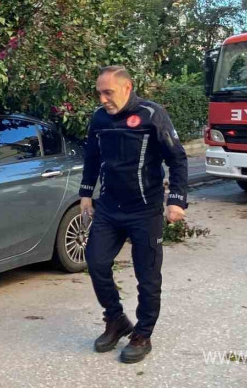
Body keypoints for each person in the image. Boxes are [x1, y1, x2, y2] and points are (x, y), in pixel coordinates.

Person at [79, 65, 188, 364]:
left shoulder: (152, 114)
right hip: (110, 208)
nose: (102, 99)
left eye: (108, 92)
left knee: (147, 277)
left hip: (145, 211)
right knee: (96, 262)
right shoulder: (99, 118)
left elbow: (177, 158)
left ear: (127, 87)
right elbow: (92, 156)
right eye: (99, 93)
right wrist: (86, 192)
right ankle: (115, 320)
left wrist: (177, 200)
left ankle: (143, 333)